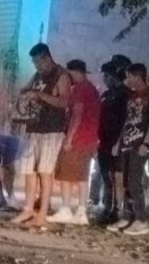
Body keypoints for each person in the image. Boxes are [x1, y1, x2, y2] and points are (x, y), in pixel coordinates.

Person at [12, 43, 71, 228]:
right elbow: (27, 89)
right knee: (28, 170)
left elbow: (64, 103)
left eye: (38, 62)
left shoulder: (61, 75)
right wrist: (26, 93)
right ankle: (28, 209)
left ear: (46, 58)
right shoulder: (38, 75)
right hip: (33, 127)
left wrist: (40, 96)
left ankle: (42, 213)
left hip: (51, 130)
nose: (36, 66)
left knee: (45, 172)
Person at [49, 60, 100, 225]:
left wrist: (69, 138)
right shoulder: (92, 89)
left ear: (75, 72)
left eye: (70, 74)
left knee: (65, 175)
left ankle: (65, 209)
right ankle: (81, 211)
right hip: (89, 138)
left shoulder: (80, 89)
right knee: (82, 177)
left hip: (78, 138)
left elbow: (77, 115)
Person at [108, 63, 149, 236]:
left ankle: (142, 219)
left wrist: (146, 143)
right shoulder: (132, 96)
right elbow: (128, 120)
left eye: (129, 76)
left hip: (139, 144)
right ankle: (127, 216)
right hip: (126, 142)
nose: (127, 80)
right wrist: (119, 141)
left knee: (135, 180)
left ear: (137, 76)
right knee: (124, 181)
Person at [94, 61, 129, 224]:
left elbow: (126, 120)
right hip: (104, 141)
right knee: (106, 176)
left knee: (117, 176)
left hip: (117, 142)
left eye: (107, 76)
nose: (105, 79)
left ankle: (117, 209)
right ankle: (107, 206)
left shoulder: (125, 94)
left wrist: (119, 142)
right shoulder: (106, 95)